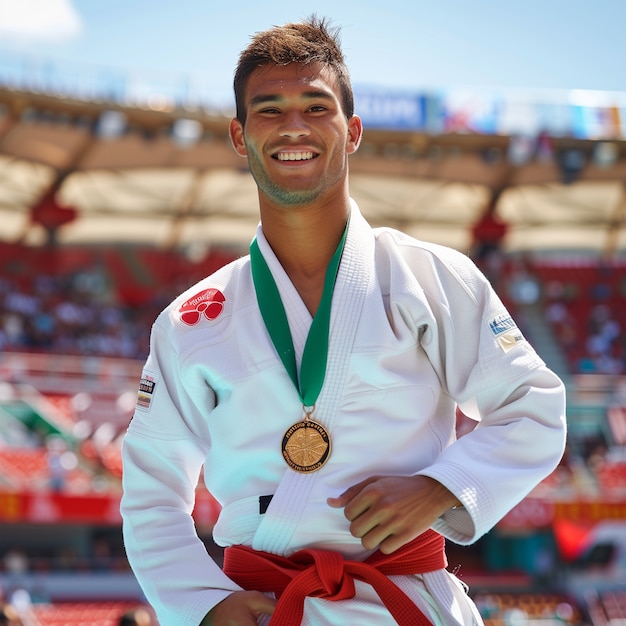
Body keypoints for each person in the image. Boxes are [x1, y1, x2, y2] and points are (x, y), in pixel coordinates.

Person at [120, 15, 567, 626]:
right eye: (269, 110)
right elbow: (151, 489)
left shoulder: (431, 277)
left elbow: (535, 405)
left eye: (315, 105)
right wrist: (202, 604)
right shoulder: (193, 320)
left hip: (405, 597)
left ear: (352, 130)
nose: (293, 127)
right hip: (267, 606)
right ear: (238, 134)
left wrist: (444, 486)